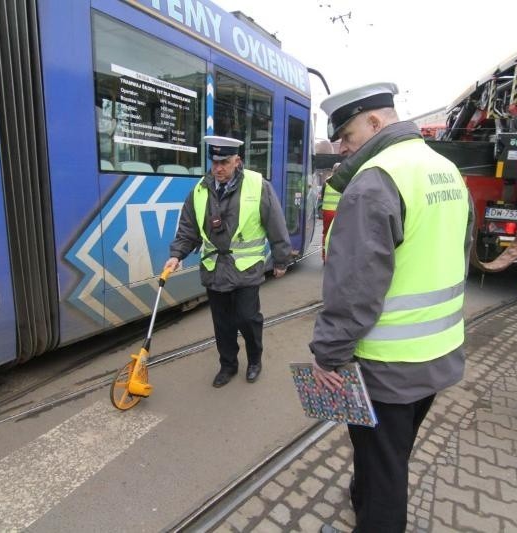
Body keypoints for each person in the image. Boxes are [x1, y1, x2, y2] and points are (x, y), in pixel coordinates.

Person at [310, 82, 473, 532]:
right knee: (390, 453)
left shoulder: (376, 180)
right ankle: (362, 500)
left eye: (346, 135)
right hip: (437, 354)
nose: (342, 147)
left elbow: (354, 287)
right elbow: (459, 255)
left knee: (384, 470)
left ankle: (374, 517)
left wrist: (329, 355)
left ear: (375, 122)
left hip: (386, 367)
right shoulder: (445, 170)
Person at [165, 135, 291, 388]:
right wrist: (176, 255)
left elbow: (275, 224)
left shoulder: (258, 185)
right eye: (215, 163)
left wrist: (281, 260)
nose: (218, 168)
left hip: (245, 268)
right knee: (222, 324)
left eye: (224, 162)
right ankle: (228, 365)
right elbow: (188, 228)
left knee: (247, 318)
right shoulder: (200, 190)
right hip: (214, 269)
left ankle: (255, 359)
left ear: (237, 162)